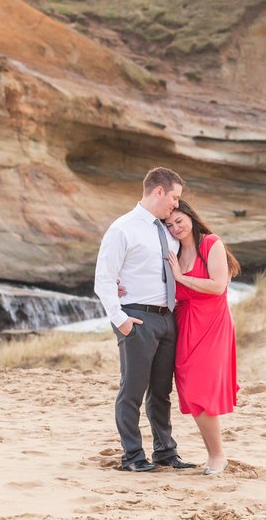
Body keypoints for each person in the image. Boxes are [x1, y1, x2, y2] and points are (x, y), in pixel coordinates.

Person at [94, 167, 197, 473]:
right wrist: (121, 320)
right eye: (174, 197)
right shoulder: (123, 228)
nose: (176, 205)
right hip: (137, 318)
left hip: (167, 318)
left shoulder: (167, 230)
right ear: (158, 191)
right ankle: (133, 457)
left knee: (161, 390)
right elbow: (104, 280)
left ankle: (165, 452)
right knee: (132, 390)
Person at [163, 199, 241, 476]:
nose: (176, 228)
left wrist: (180, 277)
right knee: (190, 391)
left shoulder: (211, 243)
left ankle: (218, 455)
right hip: (184, 324)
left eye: (179, 221)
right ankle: (213, 452)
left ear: (191, 218)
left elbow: (218, 286)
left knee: (201, 389)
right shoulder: (172, 250)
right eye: (169, 225)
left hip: (212, 322)